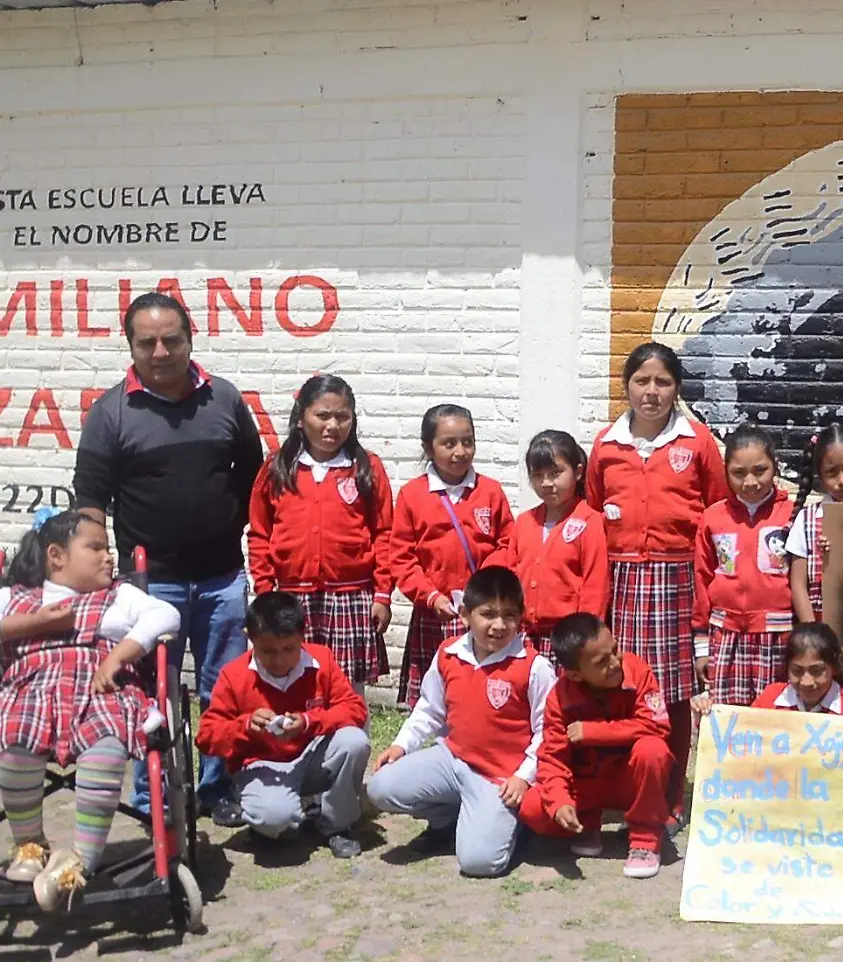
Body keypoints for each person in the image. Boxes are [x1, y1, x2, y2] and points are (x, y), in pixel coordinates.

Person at [72, 290, 262, 823]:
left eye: (171, 340)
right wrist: (92, 563)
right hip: (149, 586)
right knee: (149, 692)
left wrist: (245, 536)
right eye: (147, 342)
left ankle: (217, 788)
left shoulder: (223, 399)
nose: (160, 352)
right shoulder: (111, 412)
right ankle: (147, 796)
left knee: (223, 688)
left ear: (190, 340)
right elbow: (89, 493)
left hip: (222, 576)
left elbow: (254, 476)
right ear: (131, 346)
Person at [0, 511, 179, 911]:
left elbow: (166, 614)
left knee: (109, 742)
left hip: (102, 690)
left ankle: (80, 858)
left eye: (109, 548)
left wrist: (120, 654)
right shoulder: (17, 598)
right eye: (95, 548)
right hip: (32, 693)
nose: (108, 558)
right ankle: (30, 844)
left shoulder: (120, 595)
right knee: (14, 739)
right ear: (56, 556)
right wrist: (31, 625)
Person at [586, 343, 730, 810]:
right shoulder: (606, 445)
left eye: (662, 382)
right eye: (641, 381)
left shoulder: (697, 442)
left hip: (678, 581)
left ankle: (670, 795)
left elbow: (717, 513)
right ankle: (627, 787)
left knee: (675, 691)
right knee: (624, 685)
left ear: (677, 388)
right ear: (626, 386)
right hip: (623, 582)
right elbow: (590, 513)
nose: (651, 392)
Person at [367, 567, 557, 878]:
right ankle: (448, 820)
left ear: (521, 616)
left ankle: (516, 824)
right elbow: (429, 710)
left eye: (509, 615)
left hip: (499, 779)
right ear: (466, 615)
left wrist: (523, 778)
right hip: (452, 759)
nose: (499, 625)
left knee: (480, 863)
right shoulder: (448, 653)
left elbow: (547, 733)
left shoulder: (534, 666)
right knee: (381, 788)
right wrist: (401, 746)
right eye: (488, 614)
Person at [245, 374, 394, 690]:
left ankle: (350, 739)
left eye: (342, 416)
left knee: (346, 688)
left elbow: (384, 534)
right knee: (292, 683)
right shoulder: (278, 468)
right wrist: (265, 589)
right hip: (291, 596)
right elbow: (259, 534)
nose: (333, 425)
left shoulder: (366, 467)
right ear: (301, 418)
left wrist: (382, 594)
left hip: (351, 597)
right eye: (322, 416)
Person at [194, 592, 370, 859]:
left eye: (289, 649)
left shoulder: (321, 659)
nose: (279, 660)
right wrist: (245, 726)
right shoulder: (234, 674)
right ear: (249, 638)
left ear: (302, 635)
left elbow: (354, 708)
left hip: (311, 757)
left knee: (354, 741)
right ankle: (271, 819)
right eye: (268, 651)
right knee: (274, 818)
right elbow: (206, 736)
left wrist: (310, 721)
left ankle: (336, 824)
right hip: (262, 765)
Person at [517, 612, 673, 879]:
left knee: (653, 751)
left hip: (630, 783)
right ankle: (587, 824)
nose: (615, 662)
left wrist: (592, 732)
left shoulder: (638, 671)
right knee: (532, 807)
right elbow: (553, 758)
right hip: (588, 786)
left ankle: (645, 839)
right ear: (576, 675)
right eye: (602, 662)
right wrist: (560, 803)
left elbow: (657, 726)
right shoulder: (559, 698)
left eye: (615, 650)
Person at [390, 404, 514, 706]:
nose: (460, 451)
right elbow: (401, 558)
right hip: (438, 613)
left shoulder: (491, 492)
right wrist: (430, 596)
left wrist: (483, 590)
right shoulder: (412, 495)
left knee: (483, 690)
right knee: (438, 696)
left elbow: (508, 543)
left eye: (467, 441)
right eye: (449, 443)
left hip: (484, 612)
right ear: (428, 448)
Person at [693, 426, 796, 712]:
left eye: (760, 470)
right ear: (726, 472)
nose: (750, 482)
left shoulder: (792, 515)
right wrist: (701, 645)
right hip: (725, 633)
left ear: (775, 466)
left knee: (774, 717)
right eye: (739, 473)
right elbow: (702, 579)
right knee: (728, 717)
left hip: (778, 633)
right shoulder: (713, 517)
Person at [493, 431, 607, 657]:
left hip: (568, 642)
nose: (546, 483)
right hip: (523, 640)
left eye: (555, 473)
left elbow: (595, 587)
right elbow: (512, 575)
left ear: (578, 472)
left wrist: (583, 640)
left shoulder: (589, 521)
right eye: (538, 475)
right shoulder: (525, 522)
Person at [750, 622, 843, 782]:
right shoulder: (770, 701)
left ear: (835, 667)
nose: (806, 681)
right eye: (797, 671)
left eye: (817, 671)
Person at [786, 423, 843, 629]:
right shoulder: (807, 520)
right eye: (832, 472)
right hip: (821, 628)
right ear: (819, 474)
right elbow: (798, 584)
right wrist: (814, 632)